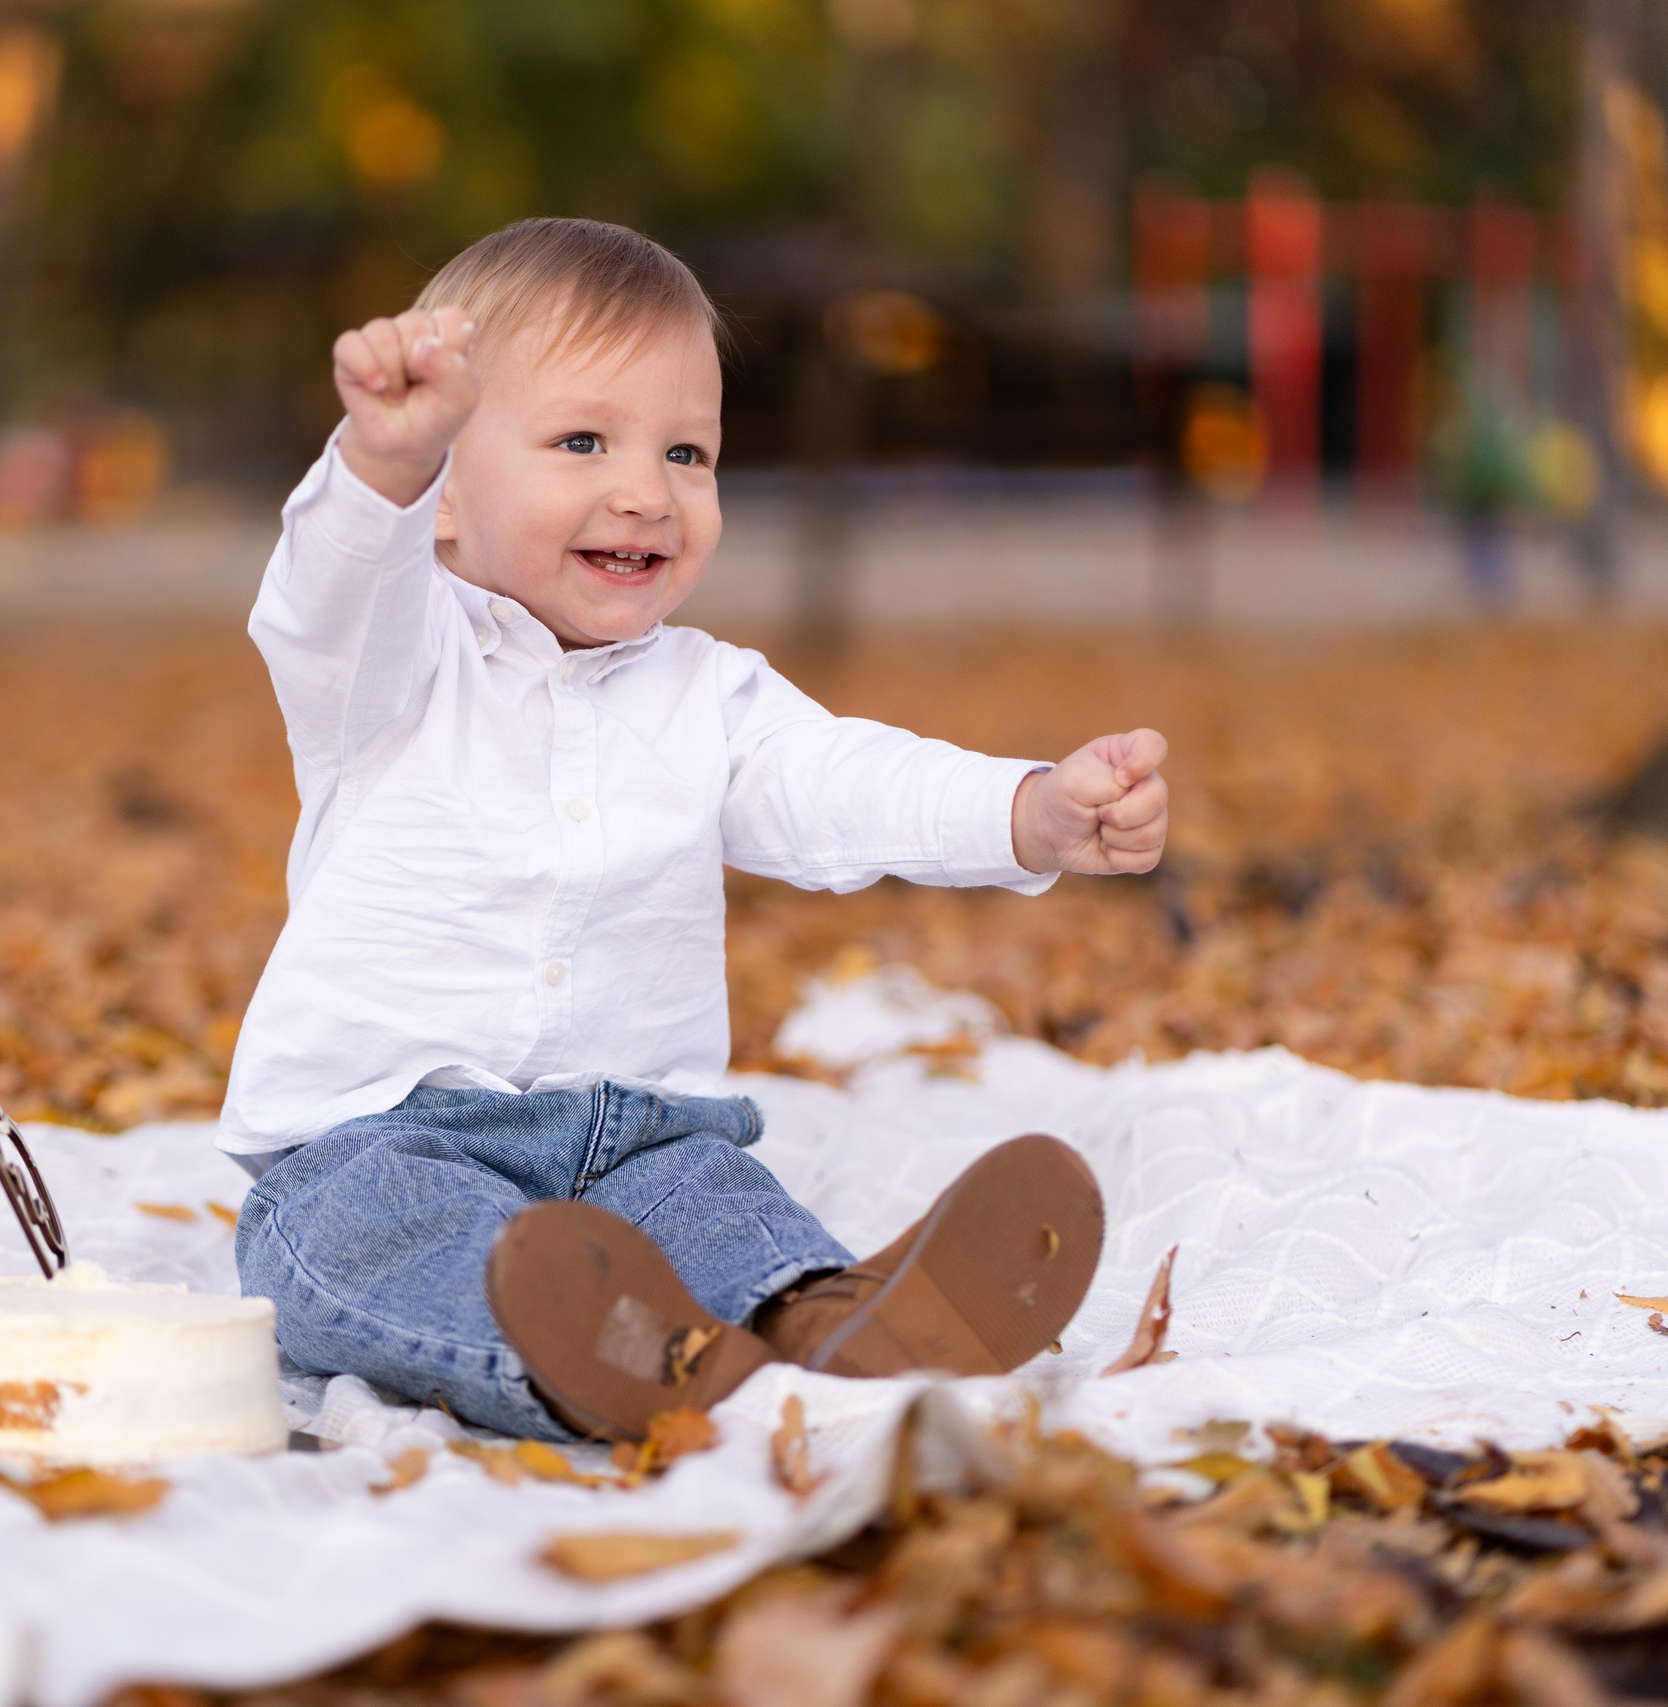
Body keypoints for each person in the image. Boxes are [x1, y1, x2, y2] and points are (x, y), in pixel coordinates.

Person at [224, 219, 1169, 1442]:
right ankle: (604, 1361)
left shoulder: (706, 695)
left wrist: (1027, 810)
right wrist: (379, 469)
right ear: (446, 501)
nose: (645, 492)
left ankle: (830, 1322)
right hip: (379, 1138)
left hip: (635, 1139)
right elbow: (328, 596)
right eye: (581, 441)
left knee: (721, 1205)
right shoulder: (393, 667)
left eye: (687, 451)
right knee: (373, 1239)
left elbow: (843, 779)